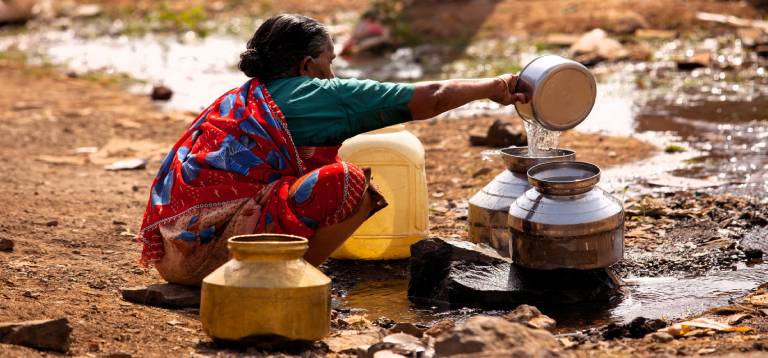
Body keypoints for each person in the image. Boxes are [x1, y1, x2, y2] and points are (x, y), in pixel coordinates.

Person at [137, 13, 527, 285]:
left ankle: (272, 271)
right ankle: (287, 282)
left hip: (172, 253)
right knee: (348, 182)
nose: (333, 73)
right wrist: (497, 87)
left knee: (311, 170)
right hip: (214, 253)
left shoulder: (243, 99)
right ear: (308, 65)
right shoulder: (313, 94)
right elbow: (433, 96)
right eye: (329, 62)